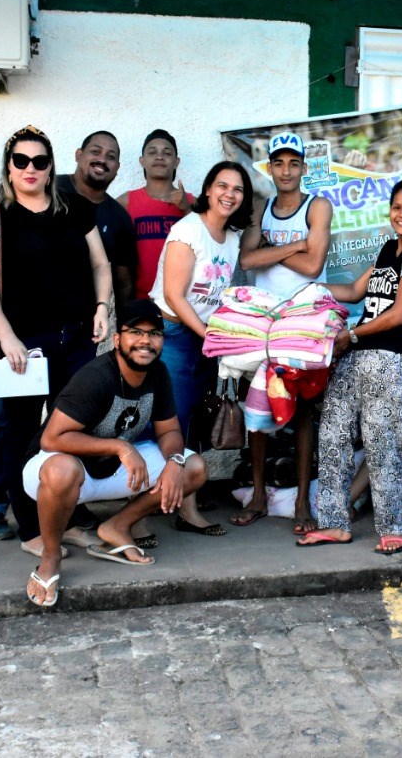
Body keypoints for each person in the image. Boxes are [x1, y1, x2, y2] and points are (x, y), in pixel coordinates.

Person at [0, 125, 112, 554]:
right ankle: (31, 528)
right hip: (23, 345)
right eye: (21, 161)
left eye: (40, 161)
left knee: (69, 428)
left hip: (75, 342)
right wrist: (7, 337)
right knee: (21, 433)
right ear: (9, 169)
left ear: (51, 169)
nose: (30, 168)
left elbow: (100, 265)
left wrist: (102, 307)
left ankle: (63, 514)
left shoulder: (76, 211)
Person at [21, 300, 208, 606]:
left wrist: (174, 461)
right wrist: (121, 446)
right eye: (135, 332)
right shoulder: (97, 376)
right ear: (117, 339)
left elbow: (170, 432)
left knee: (194, 466)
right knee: (63, 470)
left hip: (110, 468)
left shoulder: (158, 373)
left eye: (154, 333)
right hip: (55, 470)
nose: (145, 340)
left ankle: (117, 526)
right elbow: (52, 439)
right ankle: (50, 557)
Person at [298, 178, 402, 554]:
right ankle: (333, 523)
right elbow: (357, 292)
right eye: (397, 207)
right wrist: (314, 289)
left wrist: (354, 335)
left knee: (382, 442)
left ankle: (393, 526)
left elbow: (401, 313)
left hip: (390, 357)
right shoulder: (388, 248)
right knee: (332, 435)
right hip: (357, 354)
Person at [234, 132, 334, 532]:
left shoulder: (318, 206)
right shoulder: (260, 207)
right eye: (279, 163)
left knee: (306, 410)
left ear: (304, 168)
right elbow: (246, 257)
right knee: (256, 407)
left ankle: (302, 506)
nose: (287, 170)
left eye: (294, 163)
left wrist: (273, 248)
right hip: (262, 319)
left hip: (305, 318)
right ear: (270, 168)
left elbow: (314, 269)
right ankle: (259, 495)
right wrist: (295, 246)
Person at [150, 160, 254, 535]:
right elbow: (175, 296)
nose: (229, 194)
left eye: (238, 189)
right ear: (208, 190)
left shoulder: (233, 238)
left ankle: (186, 504)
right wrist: (209, 335)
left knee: (194, 419)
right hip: (176, 335)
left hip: (203, 338)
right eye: (222, 186)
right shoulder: (187, 230)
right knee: (168, 422)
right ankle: (150, 508)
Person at [57, 130, 137, 315]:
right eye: (95, 151)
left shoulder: (119, 218)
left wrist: (123, 334)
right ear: (79, 155)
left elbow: (123, 284)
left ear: (117, 167)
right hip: (27, 322)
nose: (102, 160)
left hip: (82, 327)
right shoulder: (48, 190)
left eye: (111, 157)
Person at [119, 129, 193, 300]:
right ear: (142, 161)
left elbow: (209, 247)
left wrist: (187, 210)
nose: (160, 157)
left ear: (176, 162)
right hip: (141, 302)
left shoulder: (192, 202)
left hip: (185, 303)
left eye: (167, 153)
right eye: (152, 152)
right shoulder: (125, 202)